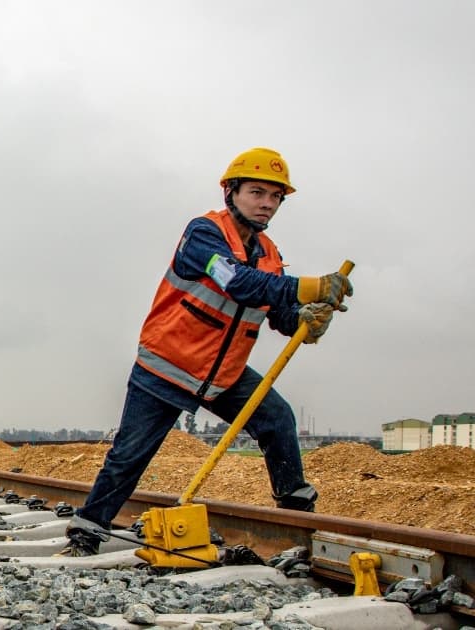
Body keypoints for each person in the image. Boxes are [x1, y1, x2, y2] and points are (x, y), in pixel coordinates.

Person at [57, 147, 351, 557]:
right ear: (231, 191)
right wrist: (310, 287)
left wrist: (307, 317)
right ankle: (88, 529)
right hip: (167, 366)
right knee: (130, 454)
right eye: (257, 192)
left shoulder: (269, 255)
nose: (267, 203)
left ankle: (295, 515)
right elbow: (236, 283)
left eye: (275, 197)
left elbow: (280, 313)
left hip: (224, 373)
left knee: (277, 419)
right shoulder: (203, 234)